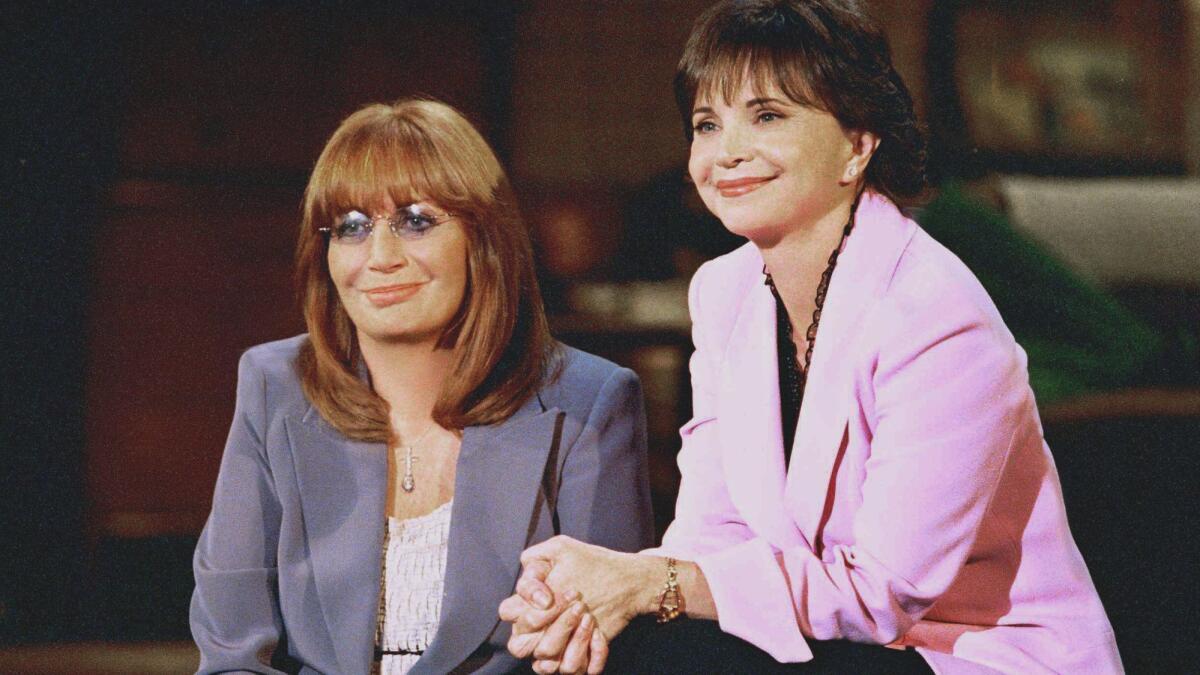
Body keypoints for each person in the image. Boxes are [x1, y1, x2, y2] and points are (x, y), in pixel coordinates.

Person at [499, 1, 1121, 673]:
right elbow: (714, 530)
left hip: (964, 652)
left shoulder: (935, 313)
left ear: (858, 143)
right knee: (608, 648)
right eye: (707, 124)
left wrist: (651, 585)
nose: (727, 151)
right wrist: (592, 598)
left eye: (767, 115)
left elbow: (881, 594)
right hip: (826, 641)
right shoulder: (723, 291)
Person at [189, 99, 654, 674]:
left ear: (483, 239)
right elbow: (233, 652)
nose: (380, 257)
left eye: (415, 221)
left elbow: (601, 657)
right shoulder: (274, 387)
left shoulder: (589, 401)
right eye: (352, 227)